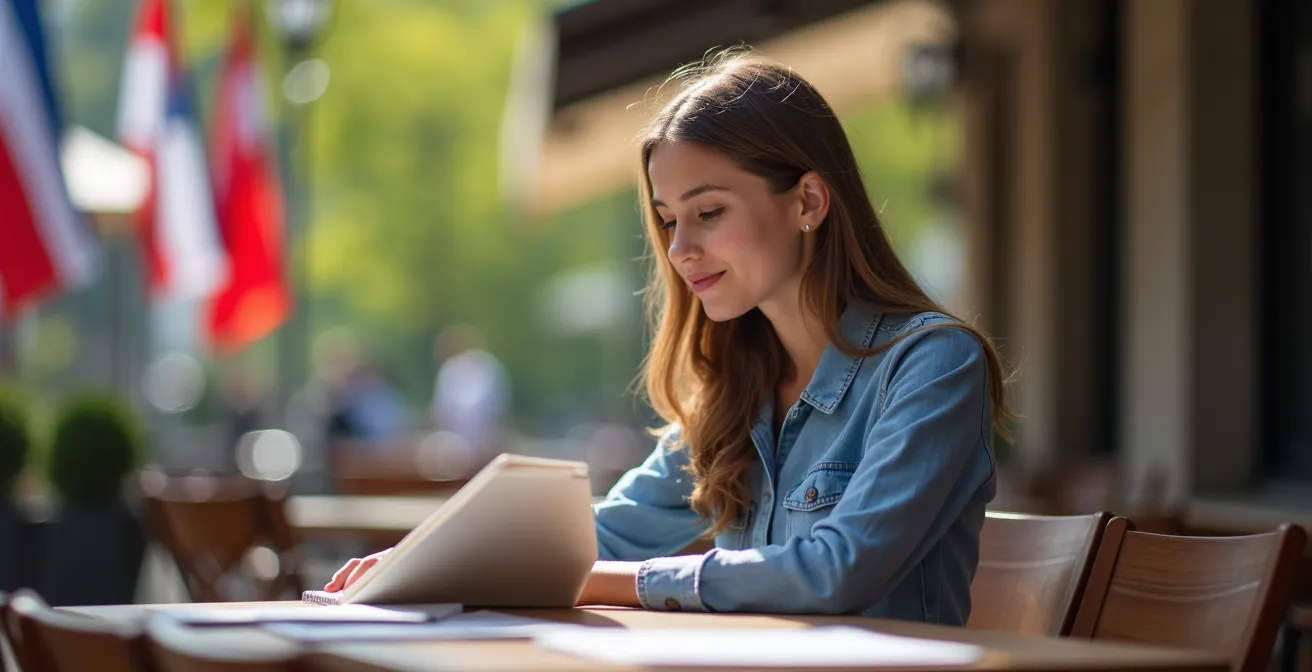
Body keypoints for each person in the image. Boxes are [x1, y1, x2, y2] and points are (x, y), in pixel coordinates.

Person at [325, 51, 1012, 625]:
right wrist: (425, 560)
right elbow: (601, 533)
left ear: (808, 202)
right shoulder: (737, 388)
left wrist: (618, 582)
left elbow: (841, 568)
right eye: (667, 219)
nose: (681, 250)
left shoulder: (932, 366)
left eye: (709, 211)